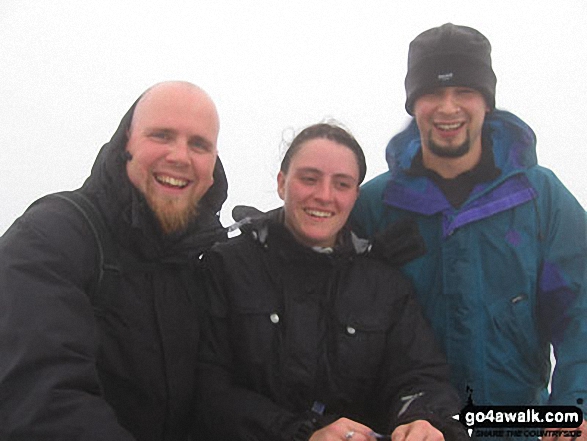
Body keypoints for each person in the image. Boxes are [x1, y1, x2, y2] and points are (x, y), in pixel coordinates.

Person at [350, 23, 587, 440]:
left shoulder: (539, 198)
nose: (448, 108)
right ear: (412, 103)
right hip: (410, 431)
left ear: (487, 101)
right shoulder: (373, 206)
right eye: (432, 93)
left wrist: (574, 408)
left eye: (464, 91)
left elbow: (580, 316)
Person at [196, 123, 468, 441]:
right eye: (309, 179)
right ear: (282, 183)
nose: (324, 196)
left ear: (356, 195)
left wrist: (421, 418)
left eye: (341, 184)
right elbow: (208, 387)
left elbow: (420, 376)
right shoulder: (227, 267)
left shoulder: (384, 284)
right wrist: (301, 434)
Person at [0, 81, 228, 441]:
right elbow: (40, 401)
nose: (180, 157)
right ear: (126, 144)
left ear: (213, 165)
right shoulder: (51, 237)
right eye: (162, 136)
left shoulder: (198, 265)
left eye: (199, 144)